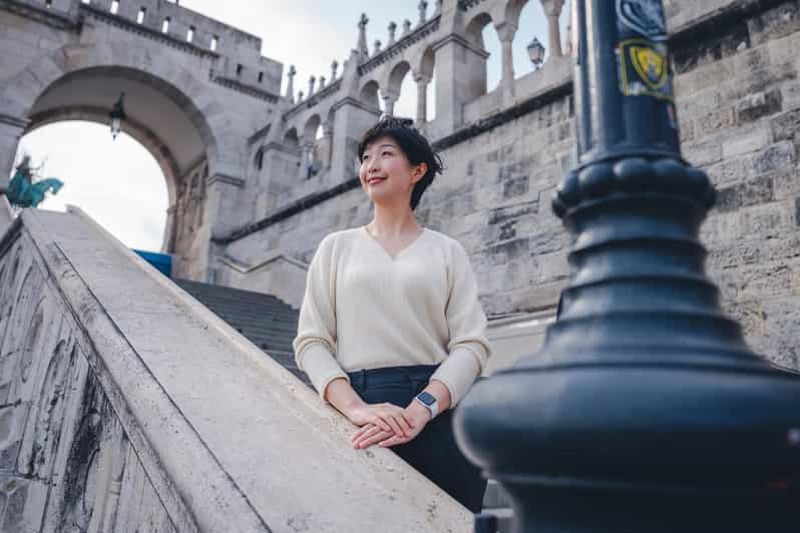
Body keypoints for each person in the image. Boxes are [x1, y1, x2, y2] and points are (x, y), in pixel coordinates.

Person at [292, 117, 491, 512]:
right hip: (360, 411)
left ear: (417, 170)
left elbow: (471, 344)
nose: (371, 165)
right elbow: (311, 341)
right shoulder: (336, 247)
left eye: (386, 154)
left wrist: (423, 408)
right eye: (366, 157)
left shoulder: (446, 251)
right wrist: (355, 408)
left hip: (438, 414)